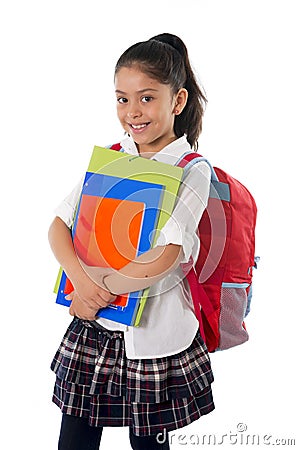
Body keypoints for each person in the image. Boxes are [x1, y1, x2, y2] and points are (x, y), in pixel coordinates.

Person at [49, 33, 215, 450]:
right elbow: (59, 225)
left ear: (177, 102)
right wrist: (82, 287)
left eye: (146, 98)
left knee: (148, 445)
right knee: (74, 439)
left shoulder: (192, 168)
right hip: (96, 328)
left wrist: (96, 292)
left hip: (155, 336)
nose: (132, 112)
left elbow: (167, 254)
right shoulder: (112, 155)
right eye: (122, 99)